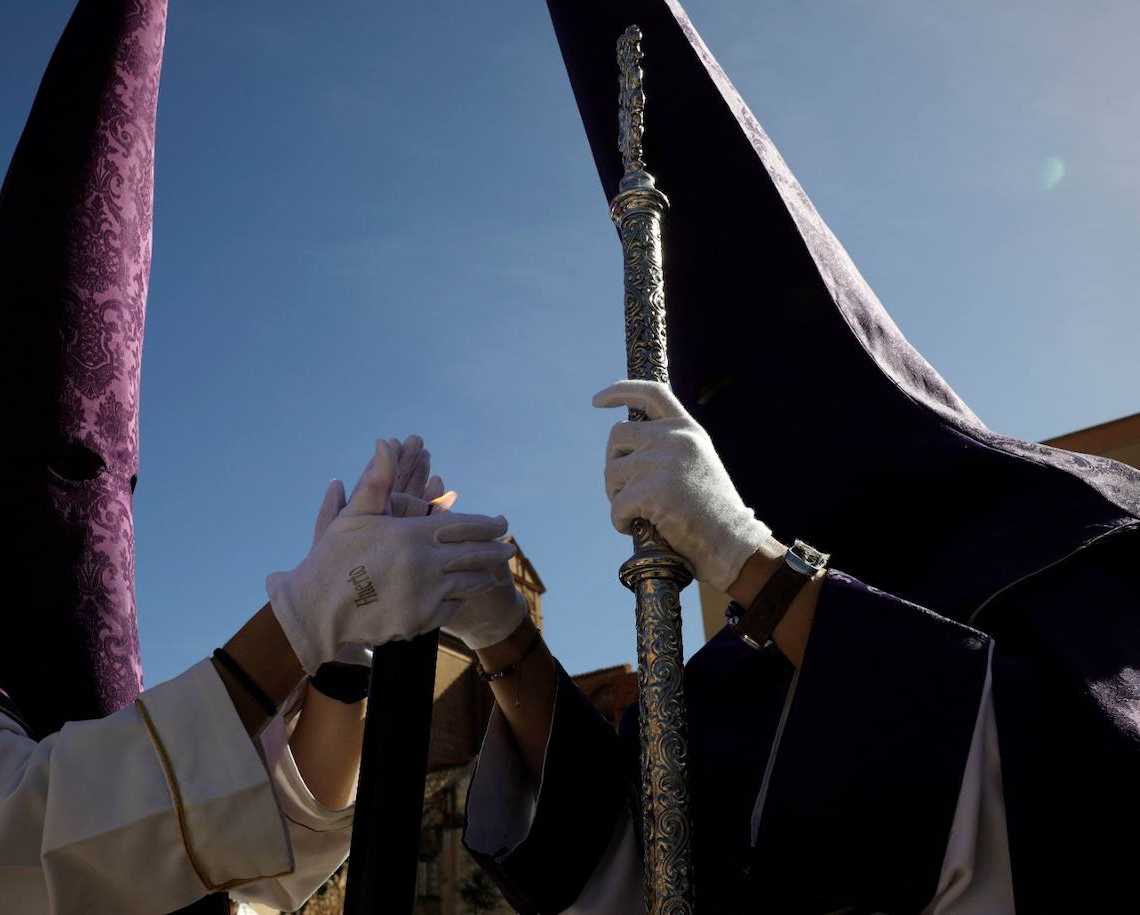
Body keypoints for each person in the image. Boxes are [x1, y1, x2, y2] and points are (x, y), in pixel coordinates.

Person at [0, 3, 519, 912]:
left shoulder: (97, 731)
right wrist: (302, 619)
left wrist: (341, 663)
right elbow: (34, 852)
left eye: (118, 486)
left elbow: (238, 872)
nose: (96, 521)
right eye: (72, 469)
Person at [459, 2, 1140, 913]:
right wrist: (505, 638)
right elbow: (634, 858)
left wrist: (759, 566)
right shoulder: (734, 673)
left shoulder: (1073, 531)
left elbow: (1071, 796)